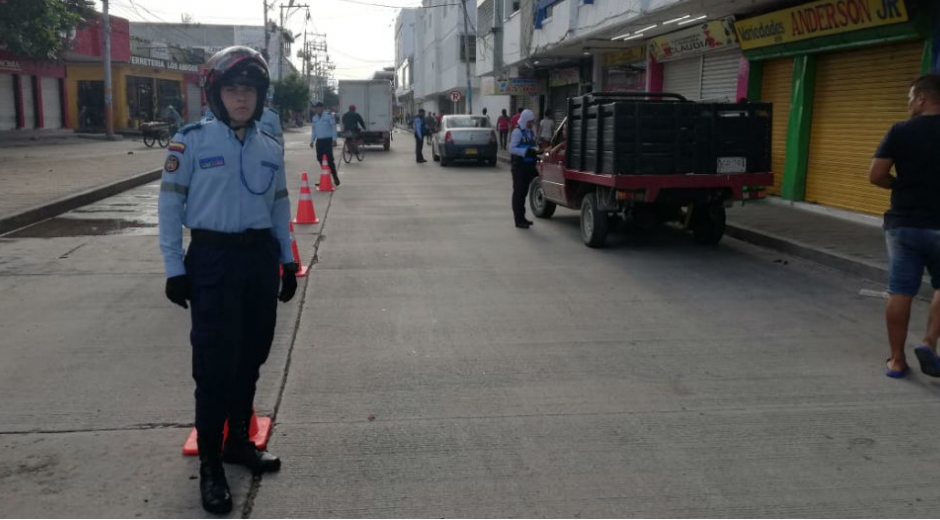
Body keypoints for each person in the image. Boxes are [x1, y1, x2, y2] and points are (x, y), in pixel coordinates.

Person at [157, 45, 294, 515]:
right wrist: (175, 269)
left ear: (260, 96)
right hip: (212, 259)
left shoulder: (269, 146)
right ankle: (212, 465)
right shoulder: (190, 142)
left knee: (252, 355)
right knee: (214, 366)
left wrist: (288, 261)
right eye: (233, 89)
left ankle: (239, 442)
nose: (242, 99)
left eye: (250, 90)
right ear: (216, 94)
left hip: (258, 259)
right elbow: (169, 208)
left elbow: (279, 207)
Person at [870, 74, 940, 378]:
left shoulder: (900, 131)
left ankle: (897, 361)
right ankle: (929, 343)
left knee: (900, 291)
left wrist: (898, 184)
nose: (908, 103)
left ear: (923, 98)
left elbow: (876, 175)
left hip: (904, 224)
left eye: (911, 97)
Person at [508, 109, 539, 229]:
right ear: (524, 120)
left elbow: (532, 145)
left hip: (529, 167)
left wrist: (536, 150)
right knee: (519, 194)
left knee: (524, 193)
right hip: (519, 167)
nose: (531, 124)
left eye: (532, 122)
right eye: (529, 122)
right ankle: (518, 219)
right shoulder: (517, 132)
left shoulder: (530, 132)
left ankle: (523, 217)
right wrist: (525, 151)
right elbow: (511, 148)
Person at [310, 101, 340, 186]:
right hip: (319, 141)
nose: (315, 109)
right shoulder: (314, 118)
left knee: (330, 160)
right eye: (314, 108)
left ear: (321, 108)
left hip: (328, 140)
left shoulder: (329, 116)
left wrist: (334, 139)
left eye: (317, 107)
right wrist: (312, 140)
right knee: (320, 158)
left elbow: (333, 128)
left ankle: (335, 177)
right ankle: (325, 175)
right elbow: (314, 130)